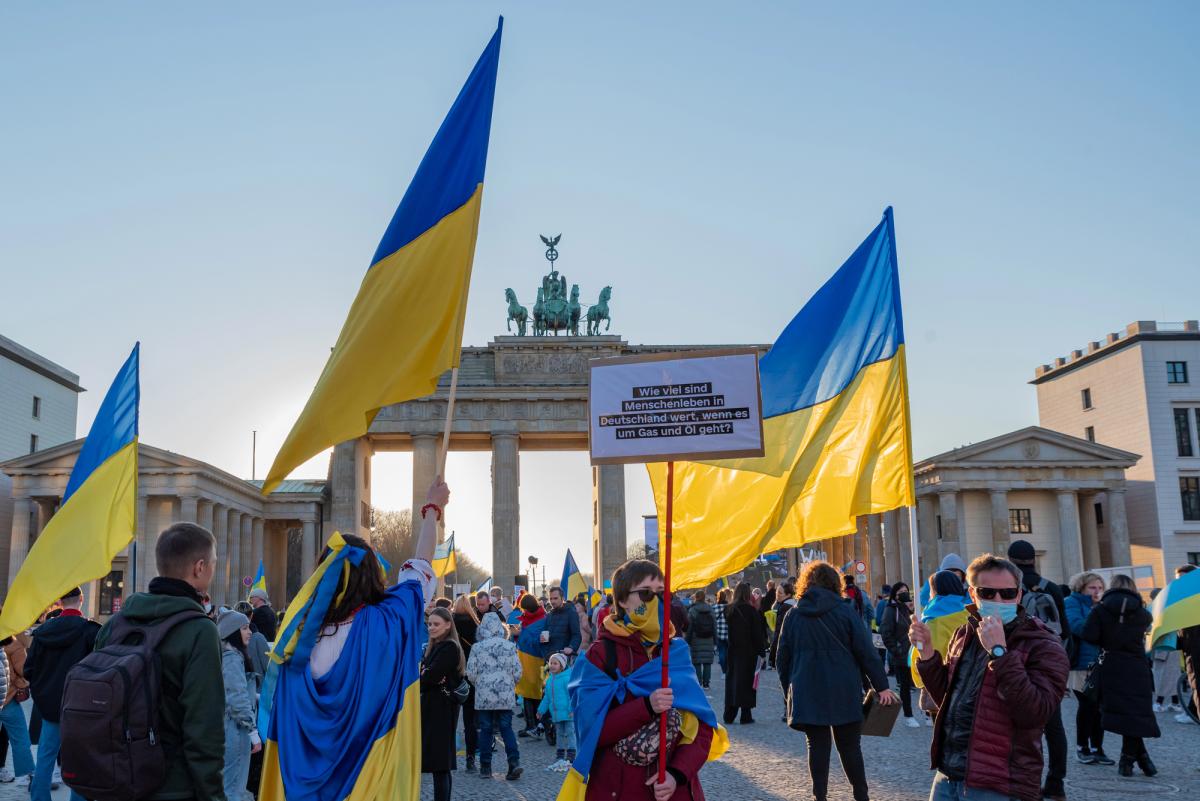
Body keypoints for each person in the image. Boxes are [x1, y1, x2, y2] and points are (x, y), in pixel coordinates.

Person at [258, 479, 445, 800]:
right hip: (369, 781)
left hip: (303, 786)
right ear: (372, 574)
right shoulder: (388, 622)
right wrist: (432, 509)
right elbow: (420, 568)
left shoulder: (296, 640)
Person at [910, 553, 1069, 801]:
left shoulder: (1042, 643)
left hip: (1000, 782)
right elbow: (948, 699)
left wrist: (999, 652)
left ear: (1018, 595)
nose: (997, 600)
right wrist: (928, 653)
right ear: (973, 595)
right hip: (950, 773)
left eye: (1007, 593)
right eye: (987, 593)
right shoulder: (964, 633)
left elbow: (1035, 713)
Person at [93, 524, 225, 801]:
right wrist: (212, 795)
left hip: (114, 778)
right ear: (200, 567)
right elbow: (204, 728)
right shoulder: (199, 630)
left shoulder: (115, 624)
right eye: (213, 563)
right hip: (171, 785)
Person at [576, 558, 715, 801]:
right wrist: (646, 707)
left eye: (662, 593)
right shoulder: (600, 655)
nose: (656, 601)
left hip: (674, 791)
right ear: (622, 600)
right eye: (646, 594)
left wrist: (677, 773)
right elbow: (591, 731)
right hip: (620, 790)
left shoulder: (676, 652)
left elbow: (702, 727)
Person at [777, 561, 896, 801]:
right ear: (835, 583)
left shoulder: (793, 614)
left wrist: (789, 689)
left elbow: (782, 659)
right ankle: (861, 795)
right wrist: (881, 686)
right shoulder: (845, 611)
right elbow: (866, 652)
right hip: (844, 687)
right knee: (850, 746)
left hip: (807, 688)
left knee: (816, 745)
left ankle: (819, 796)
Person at [24, 587, 102, 801]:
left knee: (45, 756)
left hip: (50, 705)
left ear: (59, 601)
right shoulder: (91, 631)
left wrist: (42, 692)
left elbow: (29, 669)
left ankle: (39, 797)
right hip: (81, 705)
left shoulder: (43, 632)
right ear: (81, 599)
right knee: (81, 759)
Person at [1006, 539, 1069, 801]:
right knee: (1054, 728)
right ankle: (1056, 783)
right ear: (1033, 559)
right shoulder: (1051, 588)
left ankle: (1021, 783)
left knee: (1018, 728)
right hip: (1048, 664)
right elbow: (1065, 629)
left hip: (1017, 664)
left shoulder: (1010, 590)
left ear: (1010, 560)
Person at [1081, 573, 1160, 777]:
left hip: (1112, 666)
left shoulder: (1100, 610)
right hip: (1137, 666)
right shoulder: (1143, 613)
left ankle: (1130, 759)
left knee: (1124, 712)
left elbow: (1089, 635)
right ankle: (1137, 759)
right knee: (1134, 712)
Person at [465, 610, 523, 780]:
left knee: (486, 729)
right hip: (505, 694)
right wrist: (510, 684)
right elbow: (517, 672)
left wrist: (480, 684)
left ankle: (485, 767)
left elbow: (471, 673)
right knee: (506, 728)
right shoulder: (510, 646)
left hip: (484, 695)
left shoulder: (477, 648)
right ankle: (514, 762)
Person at [1063, 571, 1113, 765]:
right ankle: (1082, 747)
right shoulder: (1072, 602)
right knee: (1087, 705)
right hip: (1081, 663)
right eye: (1092, 587)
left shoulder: (1101, 605)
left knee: (1100, 707)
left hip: (1101, 662)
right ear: (1081, 587)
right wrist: (1101, 621)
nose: (1097, 591)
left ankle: (1097, 748)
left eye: (1100, 588)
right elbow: (1077, 626)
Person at [911, 571, 970, 727]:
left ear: (935, 591)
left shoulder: (932, 620)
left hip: (940, 685)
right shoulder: (970, 614)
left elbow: (926, 657)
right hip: (968, 684)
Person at [422, 607, 465, 801]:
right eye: (430, 624)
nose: (431, 627)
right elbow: (426, 676)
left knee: (441, 764)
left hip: (442, 710)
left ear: (448, 625)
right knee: (438, 764)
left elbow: (429, 677)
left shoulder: (449, 647)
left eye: (436, 624)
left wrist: (426, 673)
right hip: (433, 707)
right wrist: (426, 673)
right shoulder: (435, 646)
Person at [217, 610, 260, 801]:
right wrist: (253, 731)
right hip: (235, 729)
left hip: (230, 727)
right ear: (232, 632)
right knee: (234, 786)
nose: (249, 632)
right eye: (244, 628)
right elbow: (236, 698)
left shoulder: (226, 655)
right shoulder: (232, 658)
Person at [724, 581, 768, 724]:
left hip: (733, 651)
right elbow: (757, 635)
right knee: (748, 683)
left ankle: (729, 714)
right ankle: (745, 714)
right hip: (749, 652)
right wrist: (762, 653)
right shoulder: (751, 611)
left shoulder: (729, 610)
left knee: (732, 681)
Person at [879, 582, 919, 727]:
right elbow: (885, 632)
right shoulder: (890, 610)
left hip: (914, 652)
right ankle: (908, 715)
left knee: (920, 683)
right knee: (905, 686)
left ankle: (928, 714)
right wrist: (897, 650)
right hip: (901, 655)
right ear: (894, 595)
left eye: (906, 591)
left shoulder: (906, 608)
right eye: (901, 592)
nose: (904, 594)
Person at [451, 594, 480, 773]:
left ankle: (446, 756)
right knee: (470, 721)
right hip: (471, 674)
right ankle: (470, 758)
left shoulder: (450, 623)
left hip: (454, 673)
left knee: (450, 719)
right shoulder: (476, 625)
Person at [0, 632, 34, 787]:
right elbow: (22, 671)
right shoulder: (12, 643)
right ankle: (28, 775)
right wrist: (22, 685)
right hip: (6, 700)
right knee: (20, 738)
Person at [514, 593, 547, 738]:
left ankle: (534, 725)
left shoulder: (542, 619)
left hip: (534, 657)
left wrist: (521, 634)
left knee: (532, 692)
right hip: (527, 656)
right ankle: (534, 725)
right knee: (531, 691)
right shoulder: (540, 616)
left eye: (524, 608)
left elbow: (538, 637)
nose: (523, 611)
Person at [1171, 564, 1200, 724]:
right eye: (1177, 580)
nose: (1179, 583)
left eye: (1183, 579)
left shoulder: (1190, 601)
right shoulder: (1183, 602)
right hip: (1192, 655)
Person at [537, 653, 574, 771]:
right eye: (551, 663)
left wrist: (572, 709)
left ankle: (571, 753)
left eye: (555, 663)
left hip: (568, 713)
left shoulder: (567, 678)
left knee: (570, 733)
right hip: (557, 713)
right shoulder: (550, 680)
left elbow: (572, 696)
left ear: (562, 666)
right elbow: (547, 698)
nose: (552, 665)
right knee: (559, 733)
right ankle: (560, 754)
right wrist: (541, 710)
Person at [685, 590, 717, 689]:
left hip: (696, 637)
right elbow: (714, 625)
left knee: (697, 661)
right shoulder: (710, 608)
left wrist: (687, 640)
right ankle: (706, 683)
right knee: (707, 662)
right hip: (709, 637)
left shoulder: (692, 609)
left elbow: (689, 626)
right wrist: (715, 639)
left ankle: (698, 682)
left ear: (696, 597)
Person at [544, 586, 582, 659]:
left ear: (562, 598)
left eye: (555, 598)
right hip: (550, 656)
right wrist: (543, 639)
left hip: (564, 657)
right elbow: (546, 634)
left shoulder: (571, 613)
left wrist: (571, 647)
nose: (552, 601)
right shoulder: (549, 615)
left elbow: (577, 635)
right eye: (551, 599)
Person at [769, 581, 797, 671]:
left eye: (780, 593)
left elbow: (779, 632)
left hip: (785, 649)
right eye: (777, 591)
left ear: (788, 595)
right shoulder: (794, 605)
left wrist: (773, 656)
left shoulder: (784, 607)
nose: (777, 594)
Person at [712, 587, 731, 674]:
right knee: (728, 652)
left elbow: (713, 621)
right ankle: (728, 669)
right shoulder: (730, 607)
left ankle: (724, 670)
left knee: (721, 652)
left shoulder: (714, 607)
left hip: (719, 634)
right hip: (729, 633)